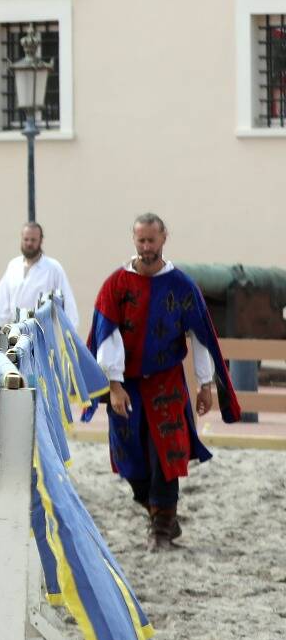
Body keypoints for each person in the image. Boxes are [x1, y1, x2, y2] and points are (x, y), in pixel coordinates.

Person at [88, 213, 242, 552]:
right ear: (134, 241)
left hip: (166, 383)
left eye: (151, 240)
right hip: (126, 384)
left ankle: (160, 528)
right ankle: (162, 514)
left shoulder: (181, 286)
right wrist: (114, 385)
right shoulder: (116, 284)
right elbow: (106, 336)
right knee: (130, 457)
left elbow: (200, 336)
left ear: (163, 239)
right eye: (141, 241)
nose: (146, 247)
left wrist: (205, 383)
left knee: (167, 453)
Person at [0, 221, 79, 340]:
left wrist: (70, 334)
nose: (29, 243)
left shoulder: (53, 268)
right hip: (15, 335)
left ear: (41, 240)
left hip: (43, 336)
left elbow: (66, 302)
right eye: (26, 239)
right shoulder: (13, 266)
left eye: (33, 240)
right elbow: (1, 299)